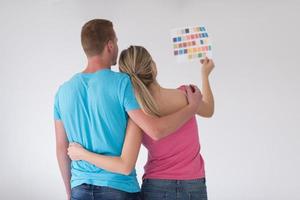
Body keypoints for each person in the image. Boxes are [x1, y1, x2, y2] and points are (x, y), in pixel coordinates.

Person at [54, 20, 201, 200]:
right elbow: (155, 130)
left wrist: (70, 193)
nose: (116, 46)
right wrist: (191, 107)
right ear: (109, 46)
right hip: (118, 188)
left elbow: (62, 149)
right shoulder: (122, 84)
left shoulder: (62, 92)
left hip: (80, 189)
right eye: (116, 41)